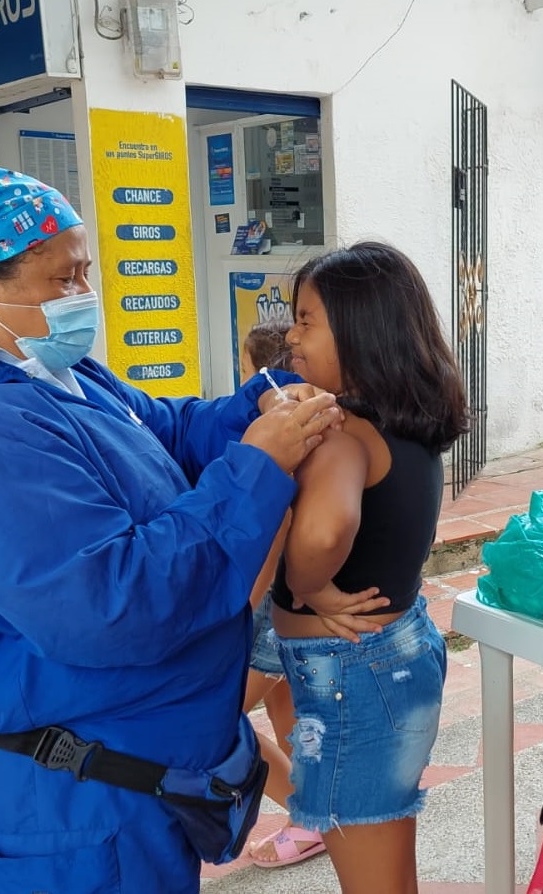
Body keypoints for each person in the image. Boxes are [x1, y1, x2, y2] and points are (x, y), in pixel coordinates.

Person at [0, 166, 344, 893]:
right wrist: (258, 469)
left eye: (85, 273)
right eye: (63, 279)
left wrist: (259, 407)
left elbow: (162, 430)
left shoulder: (45, 373)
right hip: (58, 798)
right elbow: (110, 602)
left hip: (120, 771)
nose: (83, 297)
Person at [269, 242, 469, 893]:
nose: (291, 336)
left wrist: (308, 586)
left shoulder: (345, 434)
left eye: (305, 320)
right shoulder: (401, 418)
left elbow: (327, 527)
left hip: (353, 675)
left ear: (361, 332)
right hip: (385, 656)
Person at [237, 321, 327, 869]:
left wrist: (239, 607)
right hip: (293, 602)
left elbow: (274, 528)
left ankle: (309, 811)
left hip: (271, 604)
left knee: (219, 716)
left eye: (247, 370)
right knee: (282, 702)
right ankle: (314, 811)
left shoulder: (278, 439)